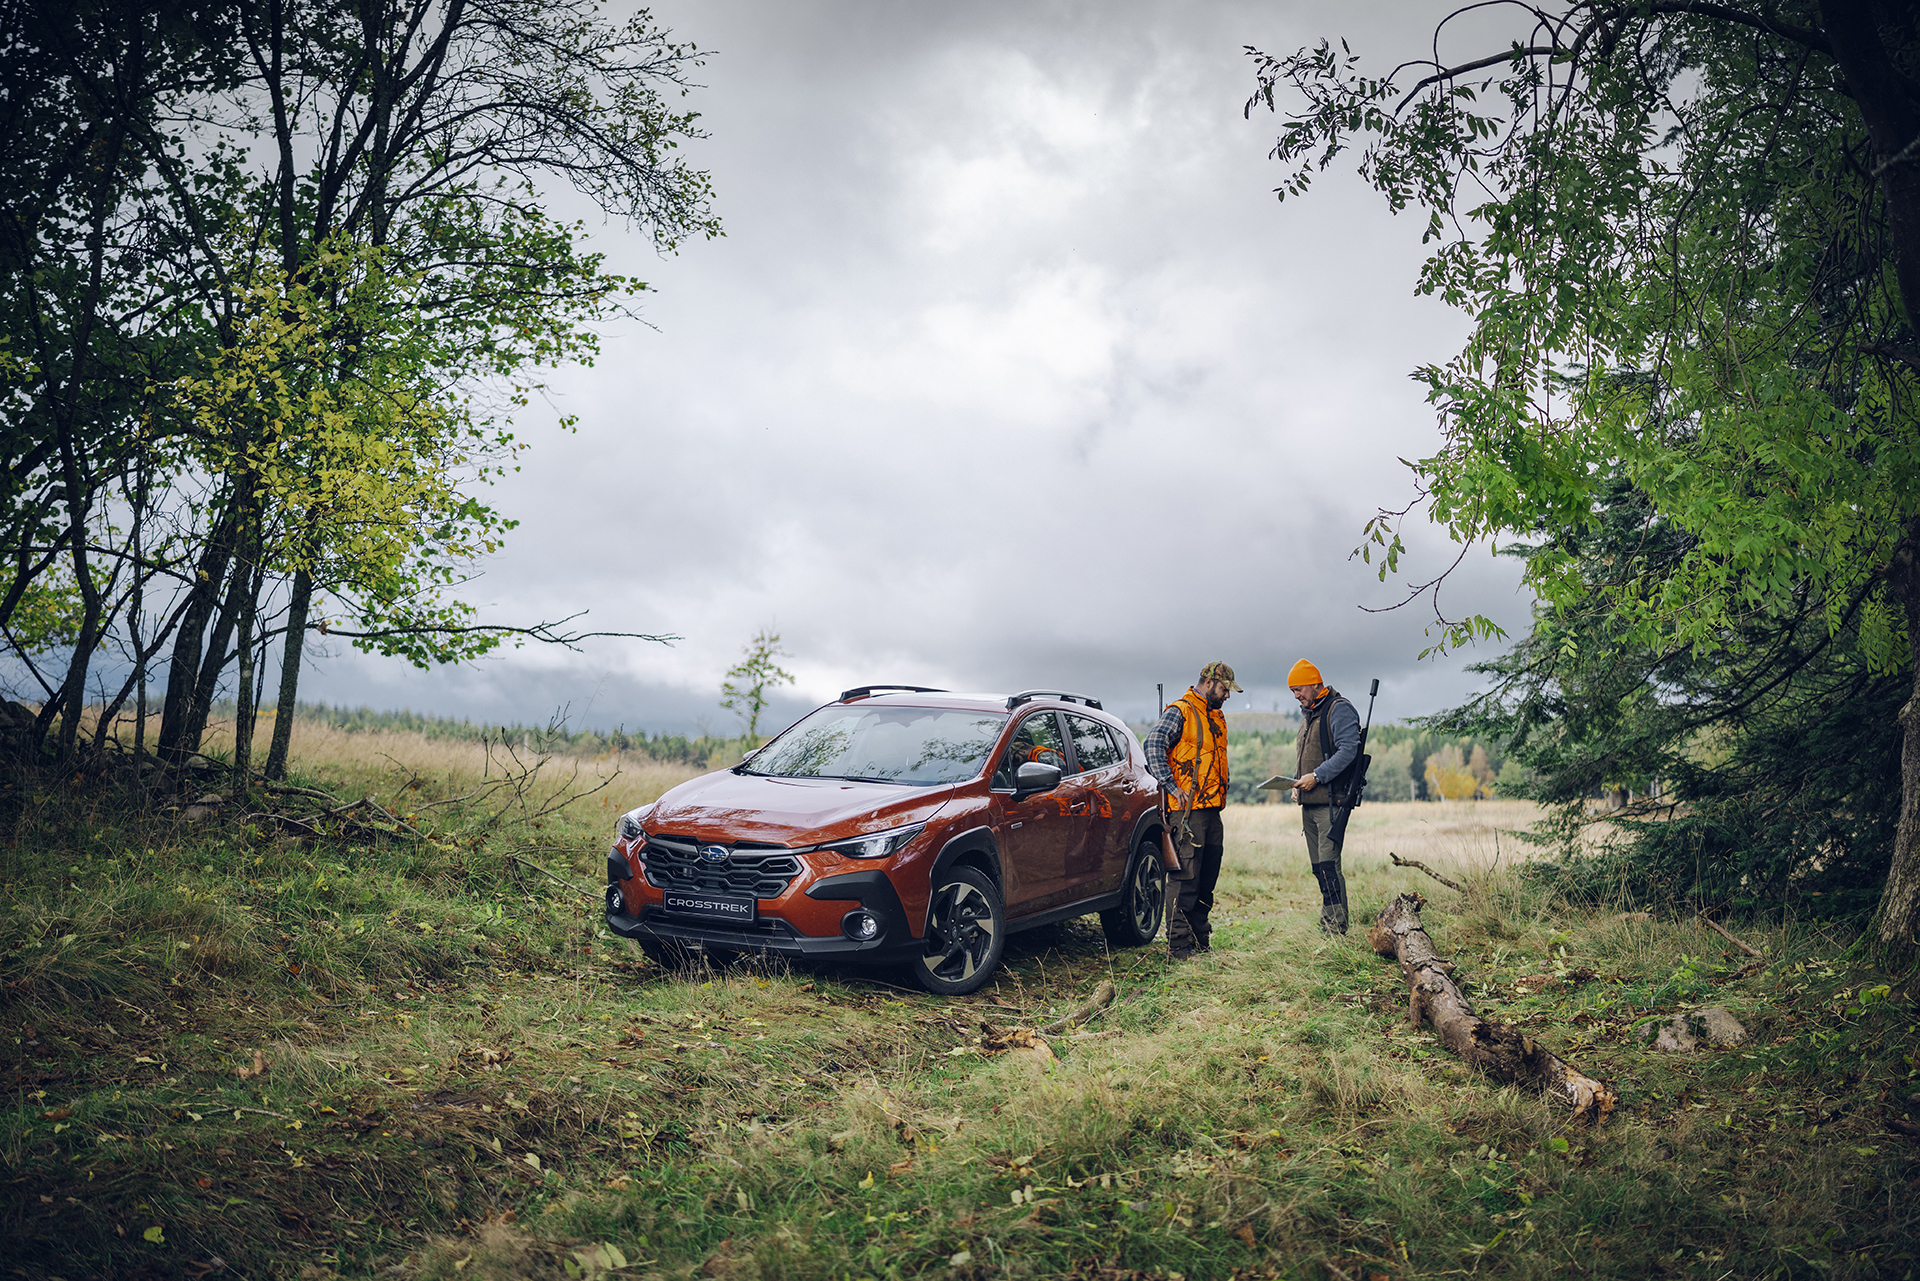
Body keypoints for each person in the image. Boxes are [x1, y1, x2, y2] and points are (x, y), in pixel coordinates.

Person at [1145, 661, 1239, 959]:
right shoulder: (1181, 710)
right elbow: (1152, 745)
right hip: (1187, 814)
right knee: (1185, 880)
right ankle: (1178, 946)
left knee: (1207, 881)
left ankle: (1200, 941)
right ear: (1209, 682)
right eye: (1224, 689)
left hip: (1212, 811)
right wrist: (1172, 787)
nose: (1227, 695)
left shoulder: (1216, 716)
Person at [1289, 659, 1362, 934]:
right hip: (1309, 803)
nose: (1296, 695)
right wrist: (1297, 781)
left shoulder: (1338, 709)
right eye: (1293, 691)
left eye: (1298, 689)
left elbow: (1349, 750)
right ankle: (1328, 919)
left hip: (1331, 803)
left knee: (1329, 866)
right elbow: (1308, 755)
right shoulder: (1310, 714)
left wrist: (1317, 776)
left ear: (1314, 683)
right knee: (1319, 867)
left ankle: (1336, 927)